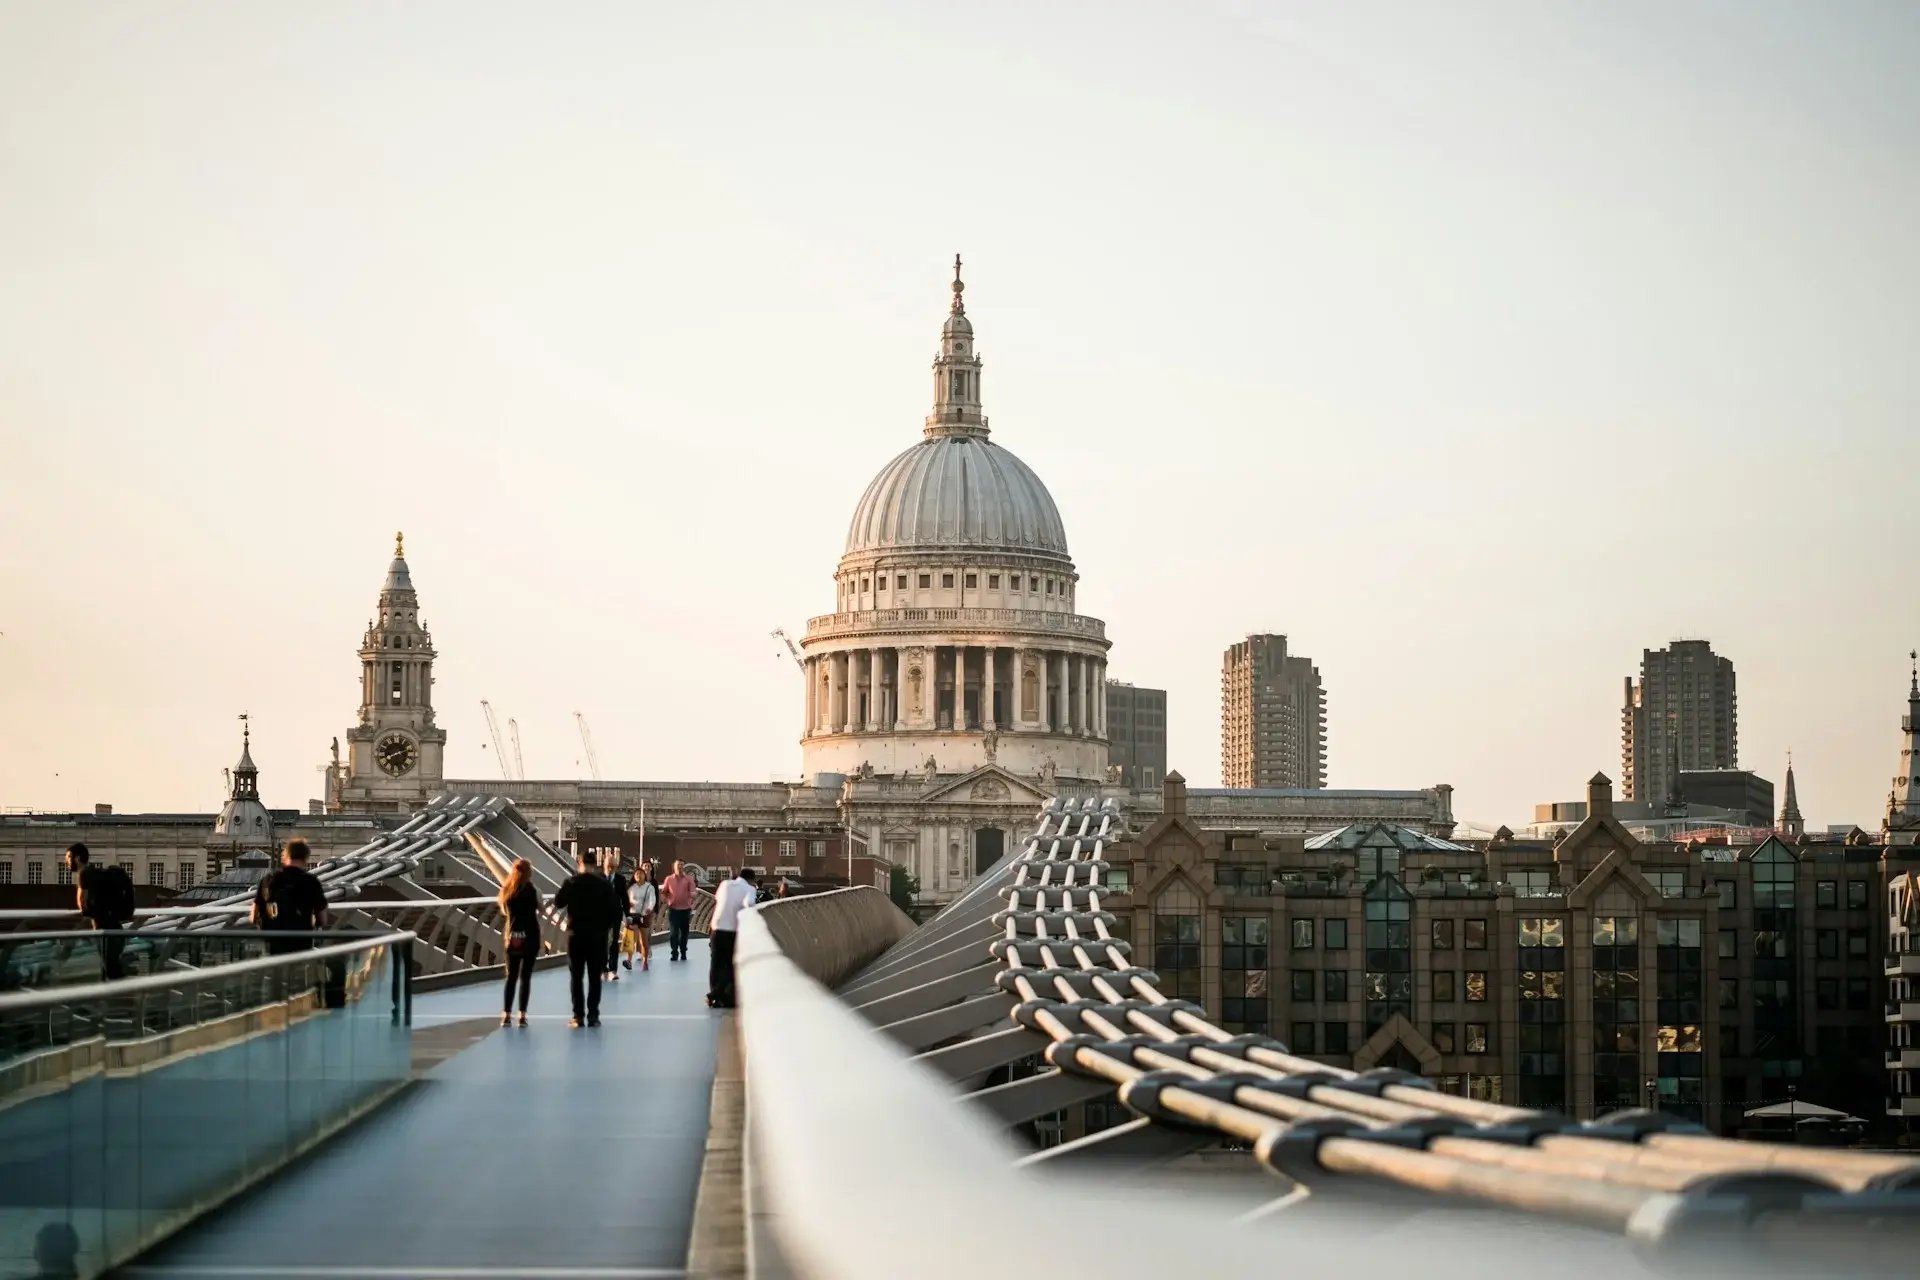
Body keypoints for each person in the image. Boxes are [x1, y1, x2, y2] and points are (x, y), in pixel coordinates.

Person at [552, 848, 620, 1028]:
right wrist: (604, 928)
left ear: (579, 863)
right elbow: (614, 910)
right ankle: (593, 1016)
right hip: (597, 936)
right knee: (594, 977)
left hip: (576, 935)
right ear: (595, 864)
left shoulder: (571, 882)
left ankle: (578, 1016)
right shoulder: (604, 884)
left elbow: (558, 903)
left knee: (576, 976)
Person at [249, 839, 330, 955]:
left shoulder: (268, 880)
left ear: (285, 856)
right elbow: (322, 920)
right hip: (301, 946)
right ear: (306, 858)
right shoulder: (311, 882)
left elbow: (254, 917)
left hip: (273, 946)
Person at [67, 842, 135, 980]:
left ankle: (128, 998)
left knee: (112, 973)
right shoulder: (97, 874)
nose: (66, 861)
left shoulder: (84, 874)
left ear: (78, 858)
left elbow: (82, 904)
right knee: (112, 971)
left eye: (68, 857)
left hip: (105, 931)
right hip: (116, 928)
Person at [496, 857, 540, 1028]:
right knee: (526, 977)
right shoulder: (534, 890)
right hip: (531, 936)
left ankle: (506, 1014)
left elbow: (505, 912)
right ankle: (522, 1015)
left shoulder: (507, 891)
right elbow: (541, 909)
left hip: (513, 936)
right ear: (529, 873)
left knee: (511, 977)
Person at [707, 867, 758, 1009]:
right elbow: (749, 904)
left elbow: (718, 899)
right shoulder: (750, 889)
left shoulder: (725, 884)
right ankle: (723, 997)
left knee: (716, 963)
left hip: (716, 927)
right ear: (751, 880)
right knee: (730, 964)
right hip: (732, 930)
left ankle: (714, 995)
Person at [624, 862, 658, 972]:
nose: (639, 876)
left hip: (644, 915)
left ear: (645, 875)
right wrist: (628, 905)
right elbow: (625, 900)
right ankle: (628, 960)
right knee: (630, 938)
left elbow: (652, 899)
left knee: (644, 940)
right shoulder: (631, 888)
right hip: (632, 915)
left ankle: (645, 960)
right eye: (637, 874)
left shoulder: (649, 887)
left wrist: (649, 908)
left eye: (641, 874)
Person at [602, 852, 630, 982]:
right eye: (608, 865)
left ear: (616, 867)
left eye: (613, 865)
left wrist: (628, 914)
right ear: (604, 865)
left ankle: (613, 970)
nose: (610, 868)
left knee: (613, 941)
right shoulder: (599, 878)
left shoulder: (620, 879)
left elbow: (624, 898)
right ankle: (603, 969)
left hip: (615, 914)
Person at [661, 860, 696, 962]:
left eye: (681, 865)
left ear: (683, 867)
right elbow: (664, 892)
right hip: (673, 909)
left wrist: (693, 895)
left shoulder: (688, 879)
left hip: (685, 909)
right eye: (678, 865)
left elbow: (693, 891)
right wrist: (664, 898)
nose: (680, 867)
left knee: (684, 933)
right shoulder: (669, 879)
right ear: (674, 867)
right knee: (674, 932)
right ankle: (674, 952)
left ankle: (683, 951)